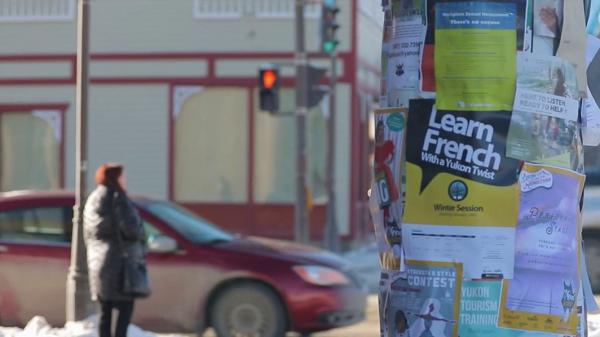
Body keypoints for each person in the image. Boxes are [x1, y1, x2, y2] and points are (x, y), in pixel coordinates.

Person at [84, 163, 147, 337]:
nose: (124, 180)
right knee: (125, 310)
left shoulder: (92, 199)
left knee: (106, 311)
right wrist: (142, 232)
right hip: (120, 264)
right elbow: (132, 229)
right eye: (121, 176)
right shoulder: (118, 198)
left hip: (98, 262)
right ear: (114, 178)